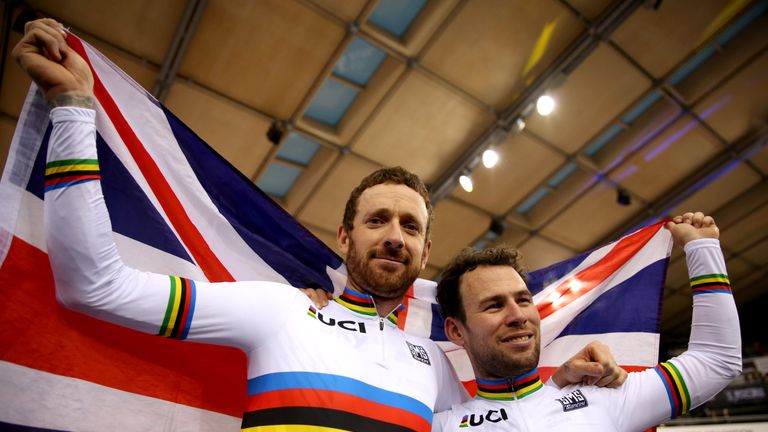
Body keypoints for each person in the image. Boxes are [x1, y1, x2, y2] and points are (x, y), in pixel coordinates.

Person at [12, 18, 625, 431]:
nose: (394, 235)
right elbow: (93, 285)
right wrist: (72, 110)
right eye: (377, 219)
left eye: (410, 227)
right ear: (344, 237)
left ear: (425, 250)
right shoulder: (280, 311)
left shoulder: (434, 367)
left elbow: (495, 425)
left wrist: (555, 383)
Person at [432, 212, 742, 431]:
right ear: (456, 331)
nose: (518, 316)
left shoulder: (605, 399)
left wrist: (702, 248)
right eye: (494, 306)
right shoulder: (441, 425)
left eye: (524, 300)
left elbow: (715, 361)